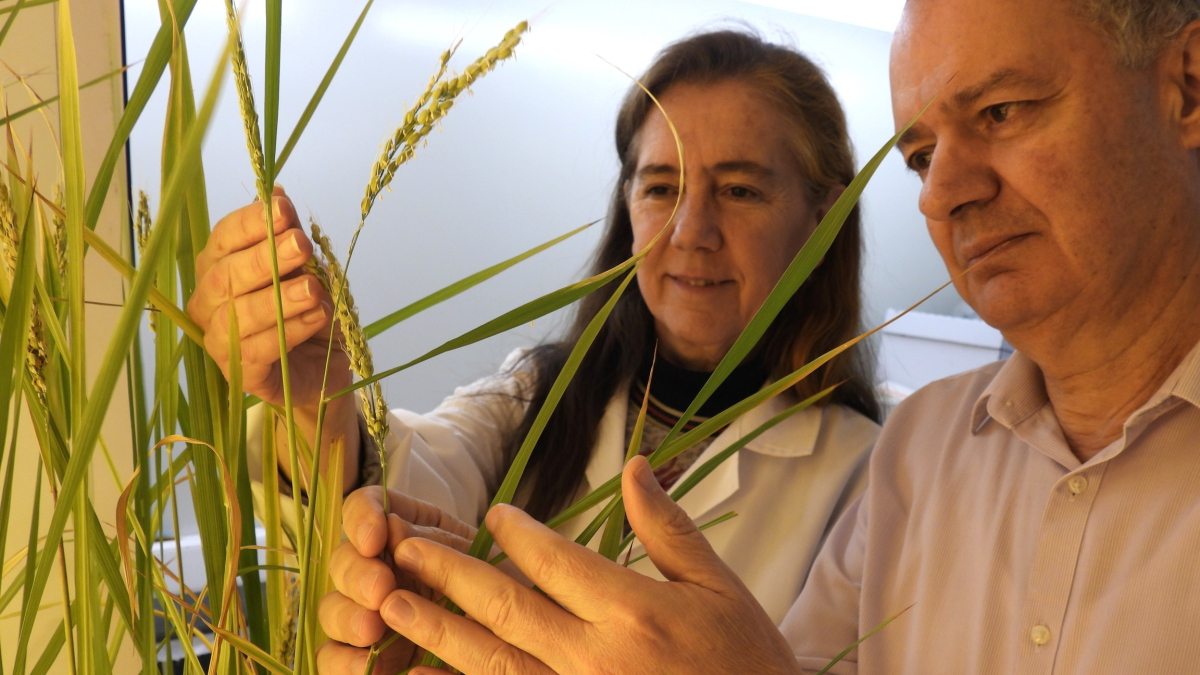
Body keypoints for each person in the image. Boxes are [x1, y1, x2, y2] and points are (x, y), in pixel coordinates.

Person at [317, 0, 1200, 673]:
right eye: (922, 155)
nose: (942, 193)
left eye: (1003, 111)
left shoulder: (872, 458)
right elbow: (405, 461)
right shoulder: (929, 454)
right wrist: (320, 409)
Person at [187, 30, 885, 672]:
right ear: (627, 202)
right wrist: (319, 398)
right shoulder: (536, 399)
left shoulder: (872, 476)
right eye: (662, 187)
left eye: (739, 190)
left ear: (820, 218)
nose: (691, 230)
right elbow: (416, 472)